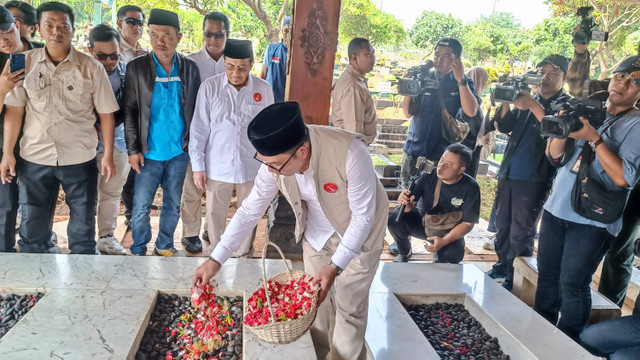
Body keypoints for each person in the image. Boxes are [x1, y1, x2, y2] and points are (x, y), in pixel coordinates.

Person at [193, 101, 387, 360]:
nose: (270, 170)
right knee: (312, 306)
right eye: (265, 163)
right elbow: (250, 210)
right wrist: (215, 260)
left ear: (302, 152)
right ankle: (318, 354)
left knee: (349, 308)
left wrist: (335, 266)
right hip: (317, 235)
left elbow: (363, 217)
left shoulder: (351, 152)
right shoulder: (273, 165)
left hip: (360, 235)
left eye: (275, 164)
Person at [534, 55, 640, 340]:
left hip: (594, 219)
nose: (624, 82)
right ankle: (539, 334)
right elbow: (553, 155)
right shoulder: (589, 109)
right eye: (621, 75)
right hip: (558, 209)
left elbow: (624, 178)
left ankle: (567, 343)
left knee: (573, 283)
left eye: (635, 81)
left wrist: (595, 138)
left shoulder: (637, 125)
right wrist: (564, 123)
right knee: (546, 276)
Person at [0, 1, 119, 254]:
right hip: (34, 158)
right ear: (38, 30)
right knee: (33, 231)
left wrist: (108, 154)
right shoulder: (23, 63)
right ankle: (36, 290)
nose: (56, 32)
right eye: (49, 26)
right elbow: (14, 111)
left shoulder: (91, 67)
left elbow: (106, 114)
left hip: (79, 158)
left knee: (82, 231)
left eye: (63, 26)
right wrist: (8, 152)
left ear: (73, 30)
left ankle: (81, 285)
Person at [486, 55, 571, 291]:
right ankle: (502, 265)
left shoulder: (565, 105)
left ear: (564, 76)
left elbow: (558, 133)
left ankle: (515, 276)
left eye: (552, 72)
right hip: (510, 171)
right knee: (503, 224)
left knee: (522, 230)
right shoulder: (528, 98)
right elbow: (504, 126)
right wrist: (505, 100)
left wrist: (534, 107)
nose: (544, 77)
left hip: (535, 176)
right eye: (541, 71)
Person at [123, 9, 200, 257]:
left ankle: (164, 244)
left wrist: (192, 147)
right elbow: (130, 110)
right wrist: (133, 149)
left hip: (179, 152)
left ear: (178, 37)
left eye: (166, 35)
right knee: (141, 205)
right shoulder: (137, 68)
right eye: (154, 34)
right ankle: (138, 246)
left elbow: (196, 110)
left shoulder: (189, 68)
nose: (159, 41)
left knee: (172, 204)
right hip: (149, 152)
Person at [189, 39, 274, 255]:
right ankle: (217, 255)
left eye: (242, 68)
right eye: (230, 66)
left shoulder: (264, 90)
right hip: (217, 164)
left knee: (250, 213)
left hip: (252, 165)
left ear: (252, 64)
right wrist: (198, 166)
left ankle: (244, 254)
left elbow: (270, 130)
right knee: (215, 214)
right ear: (224, 62)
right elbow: (199, 129)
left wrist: (271, 163)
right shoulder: (210, 87)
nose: (236, 73)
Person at [399, 38, 478, 190]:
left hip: (441, 156)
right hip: (413, 151)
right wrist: (408, 87)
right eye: (436, 55)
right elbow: (408, 113)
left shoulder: (463, 82)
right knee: (406, 201)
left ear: (456, 60)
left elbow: (471, 110)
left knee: (432, 201)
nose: (439, 60)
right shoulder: (422, 78)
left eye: (446, 56)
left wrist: (461, 80)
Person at [180, 11, 230, 251]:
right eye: (209, 34)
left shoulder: (233, 62)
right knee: (191, 187)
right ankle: (190, 233)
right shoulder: (189, 62)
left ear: (226, 36)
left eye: (218, 34)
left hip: (223, 139)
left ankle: (212, 228)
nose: (213, 39)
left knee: (218, 189)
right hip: (194, 136)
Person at [388, 144, 480, 263]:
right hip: (423, 224)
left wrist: (445, 241)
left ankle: (440, 252)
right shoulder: (427, 176)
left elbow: (467, 224)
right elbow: (409, 205)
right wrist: (404, 202)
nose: (442, 166)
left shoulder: (471, 187)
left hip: (447, 230)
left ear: (461, 169)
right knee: (394, 218)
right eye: (442, 160)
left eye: (449, 164)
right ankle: (404, 252)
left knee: (453, 256)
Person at [88, 24, 130, 255]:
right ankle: (84, 240)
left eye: (114, 55)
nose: (109, 61)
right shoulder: (82, 71)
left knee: (112, 193)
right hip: (86, 144)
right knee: (85, 195)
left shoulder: (126, 72)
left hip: (120, 143)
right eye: (101, 56)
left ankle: (106, 237)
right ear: (90, 50)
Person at [330, 37, 377, 144]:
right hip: (351, 147)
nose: (373, 58)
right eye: (368, 54)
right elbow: (354, 131)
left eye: (373, 54)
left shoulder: (356, 80)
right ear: (354, 58)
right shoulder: (353, 85)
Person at [460, 66, 490, 178]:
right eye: (483, 82)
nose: (483, 85)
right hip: (465, 151)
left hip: (471, 151)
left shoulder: (476, 101)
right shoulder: (468, 103)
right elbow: (469, 127)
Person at [261, 16, 290, 103]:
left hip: (289, 103)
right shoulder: (272, 49)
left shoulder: (300, 55)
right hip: (271, 101)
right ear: (282, 31)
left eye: (292, 31)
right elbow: (263, 74)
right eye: (286, 31)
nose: (288, 35)